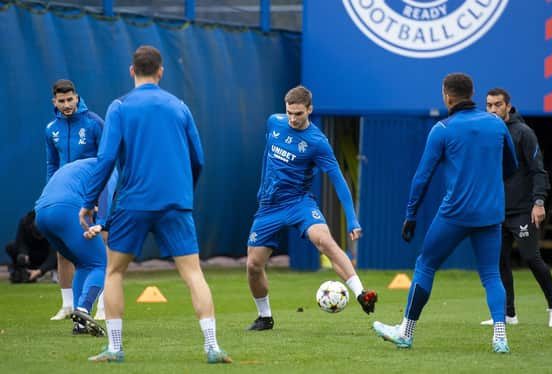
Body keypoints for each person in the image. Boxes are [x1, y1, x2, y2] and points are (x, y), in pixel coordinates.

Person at [78, 45, 231, 364]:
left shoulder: (119, 107)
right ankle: (213, 347)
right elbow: (198, 159)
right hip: (175, 202)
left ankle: (116, 349)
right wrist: (184, 192)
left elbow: (106, 158)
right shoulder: (180, 107)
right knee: (193, 273)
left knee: (115, 272)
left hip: (133, 202)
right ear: (161, 72)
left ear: (132, 71)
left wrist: (89, 201)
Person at [372, 73, 518, 353]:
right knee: (490, 274)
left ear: (447, 96)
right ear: (473, 93)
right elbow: (511, 167)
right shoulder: (497, 124)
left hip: (455, 213)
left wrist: (411, 214)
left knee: (425, 265)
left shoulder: (442, 129)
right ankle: (500, 338)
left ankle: (406, 331)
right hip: (490, 214)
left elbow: (422, 177)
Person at [245, 85, 377, 331]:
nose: (293, 119)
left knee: (324, 241)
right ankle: (265, 317)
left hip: (299, 202)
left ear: (310, 110)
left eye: (299, 114)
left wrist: (352, 220)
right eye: (290, 113)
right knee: (253, 265)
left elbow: (338, 180)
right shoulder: (274, 123)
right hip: (268, 206)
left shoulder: (318, 142)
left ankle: (361, 294)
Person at [481, 88, 552, 327]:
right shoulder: (487, 132)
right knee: (499, 261)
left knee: (530, 257)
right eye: (489, 105)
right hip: (496, 210)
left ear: (508, 106)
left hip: (523, 209)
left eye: (497, 105)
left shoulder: (524, 133)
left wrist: (538, 202)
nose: (493, 110)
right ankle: (508, 314)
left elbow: (538, 171)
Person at [35, 158, 116, 336]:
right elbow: (105, 197)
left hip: (41, 213)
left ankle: (79, 324)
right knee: (100, 263)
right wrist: (100, 224)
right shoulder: (111, 166)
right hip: (66, 209)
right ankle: (84, 309)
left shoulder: (81, 166)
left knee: (83, 264)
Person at [46, 79, 104, 321]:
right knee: (64, 250)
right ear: (55, 102)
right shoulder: (51, 129)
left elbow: (106, 161)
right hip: (65, 196)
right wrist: (50, 190)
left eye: (70, 99)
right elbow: (52, 164)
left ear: (77, 97)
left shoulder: (94, 123)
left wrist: (100, 196)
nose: (67, 104)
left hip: (91, 194)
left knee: (101, 245)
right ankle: (68, 305)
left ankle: (103, 305)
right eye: (62, 101)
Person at [5, 210, 56, 283]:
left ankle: (55, 272)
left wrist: (40, 271)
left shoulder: (52, 225)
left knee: (61, 253)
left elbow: (53, 254)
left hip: (46, 254)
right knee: (11, 247)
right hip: (31, 255)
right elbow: (20, 241)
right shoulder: (24, 221)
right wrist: (23, 254)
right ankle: (22, 272)